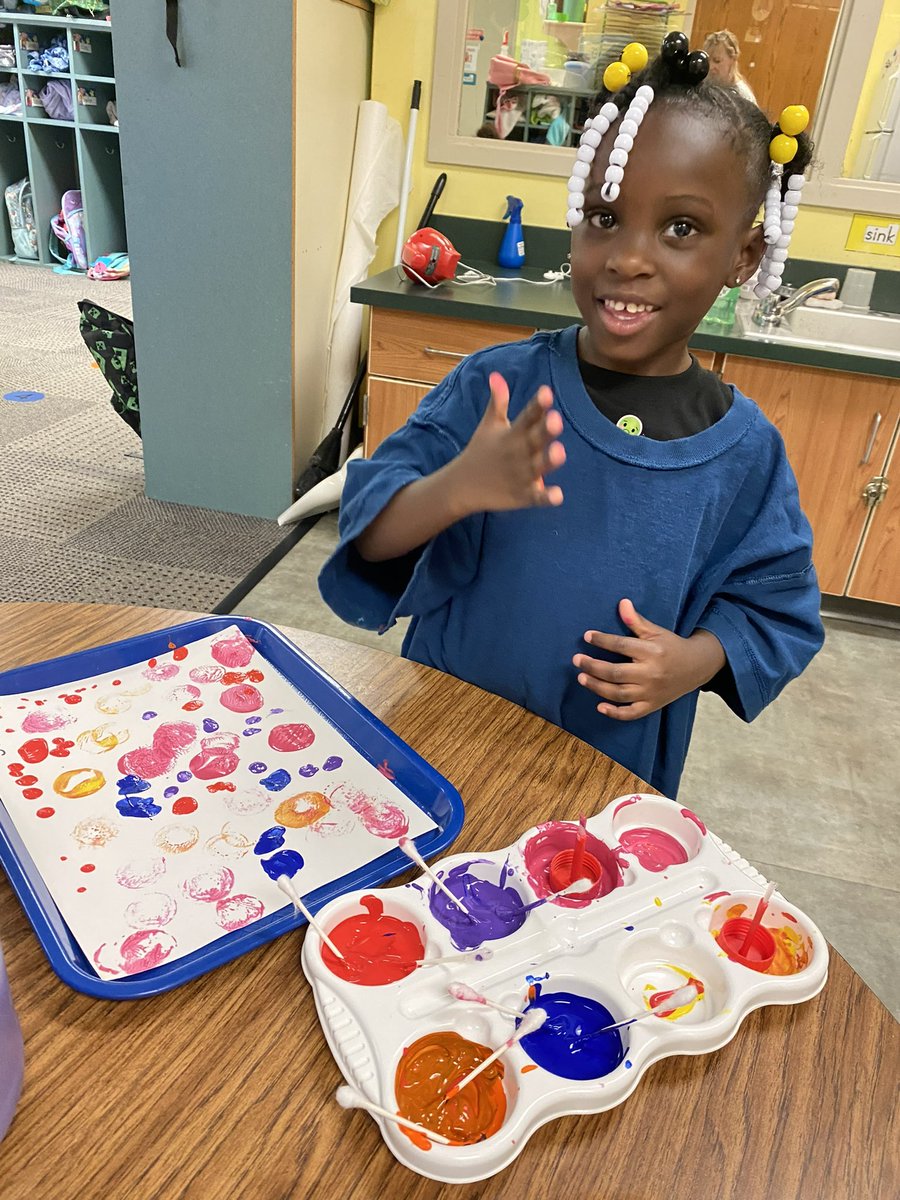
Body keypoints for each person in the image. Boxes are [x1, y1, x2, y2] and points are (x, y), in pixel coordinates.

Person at [319, 35, 823, 800]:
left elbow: (776, 606)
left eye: (680, 228)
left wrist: (696, 660)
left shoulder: (746, 454)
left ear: (743, 258)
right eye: (605, 217)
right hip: (439, 742)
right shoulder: (496, 388)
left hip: (601, 783)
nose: (627, 257)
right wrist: (455, 488)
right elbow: (372, 530)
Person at [703, 29, 757, 104]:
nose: (711, 66)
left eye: (717, 61)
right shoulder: (703, 84)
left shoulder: (743, 97)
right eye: (707, 60)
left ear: (733, 60)